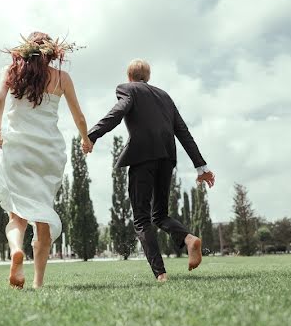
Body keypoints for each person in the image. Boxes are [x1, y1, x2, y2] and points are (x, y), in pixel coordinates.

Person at [0, 32, 90, 289]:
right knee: (42, 215)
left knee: (17, 214)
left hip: (18, 149)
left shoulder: (11, 72)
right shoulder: (61, 77)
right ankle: (38, 282)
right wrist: (85, 139)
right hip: (48, 152)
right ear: (51, 52)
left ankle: (16, 250)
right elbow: (78, 116)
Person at [86, 59, 215, 282]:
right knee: (160, 215)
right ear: (149, 77)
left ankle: (160, 274)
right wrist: (201, 166)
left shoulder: (127, 89)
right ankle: (188, 238)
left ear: (129, 77)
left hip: (142, 157)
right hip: (166, 158)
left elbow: (117, 113)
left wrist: (92, 135)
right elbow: (183, 131)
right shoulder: (164, 96)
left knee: (142, 219)